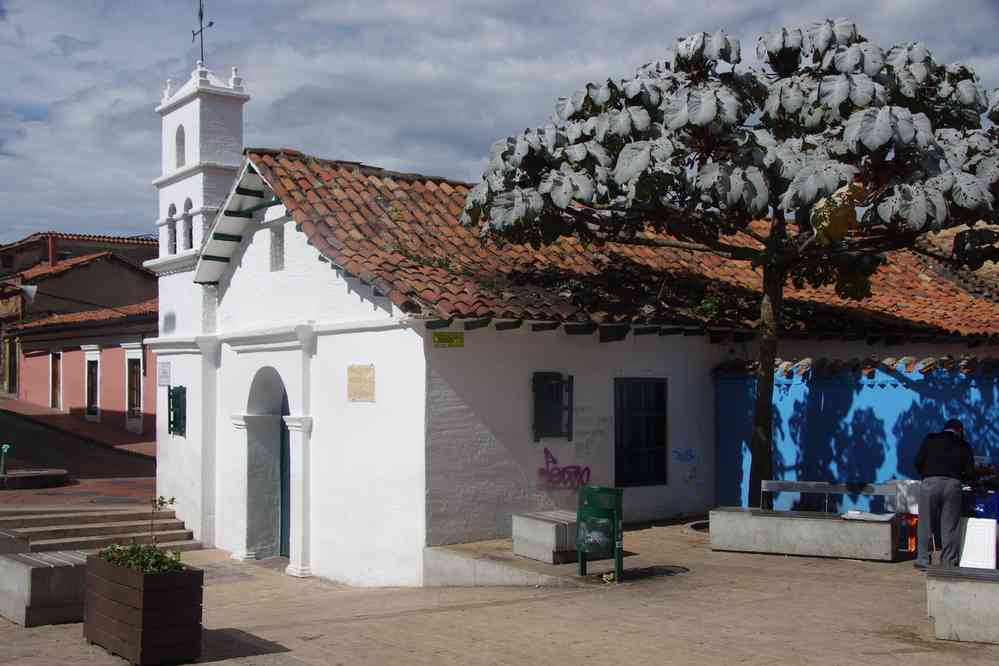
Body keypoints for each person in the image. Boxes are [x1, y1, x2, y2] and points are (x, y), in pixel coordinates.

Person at [914, 419, 976, 569]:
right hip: (952, 485)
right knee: (950, 526)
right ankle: (948, 563)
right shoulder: (964, 445)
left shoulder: (930, 439)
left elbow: (918, 462)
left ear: (945, 428)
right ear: (959, 430)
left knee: (926, 523)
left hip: (929, 483)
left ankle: (923, 561)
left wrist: (929, 474)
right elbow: (970, 472)